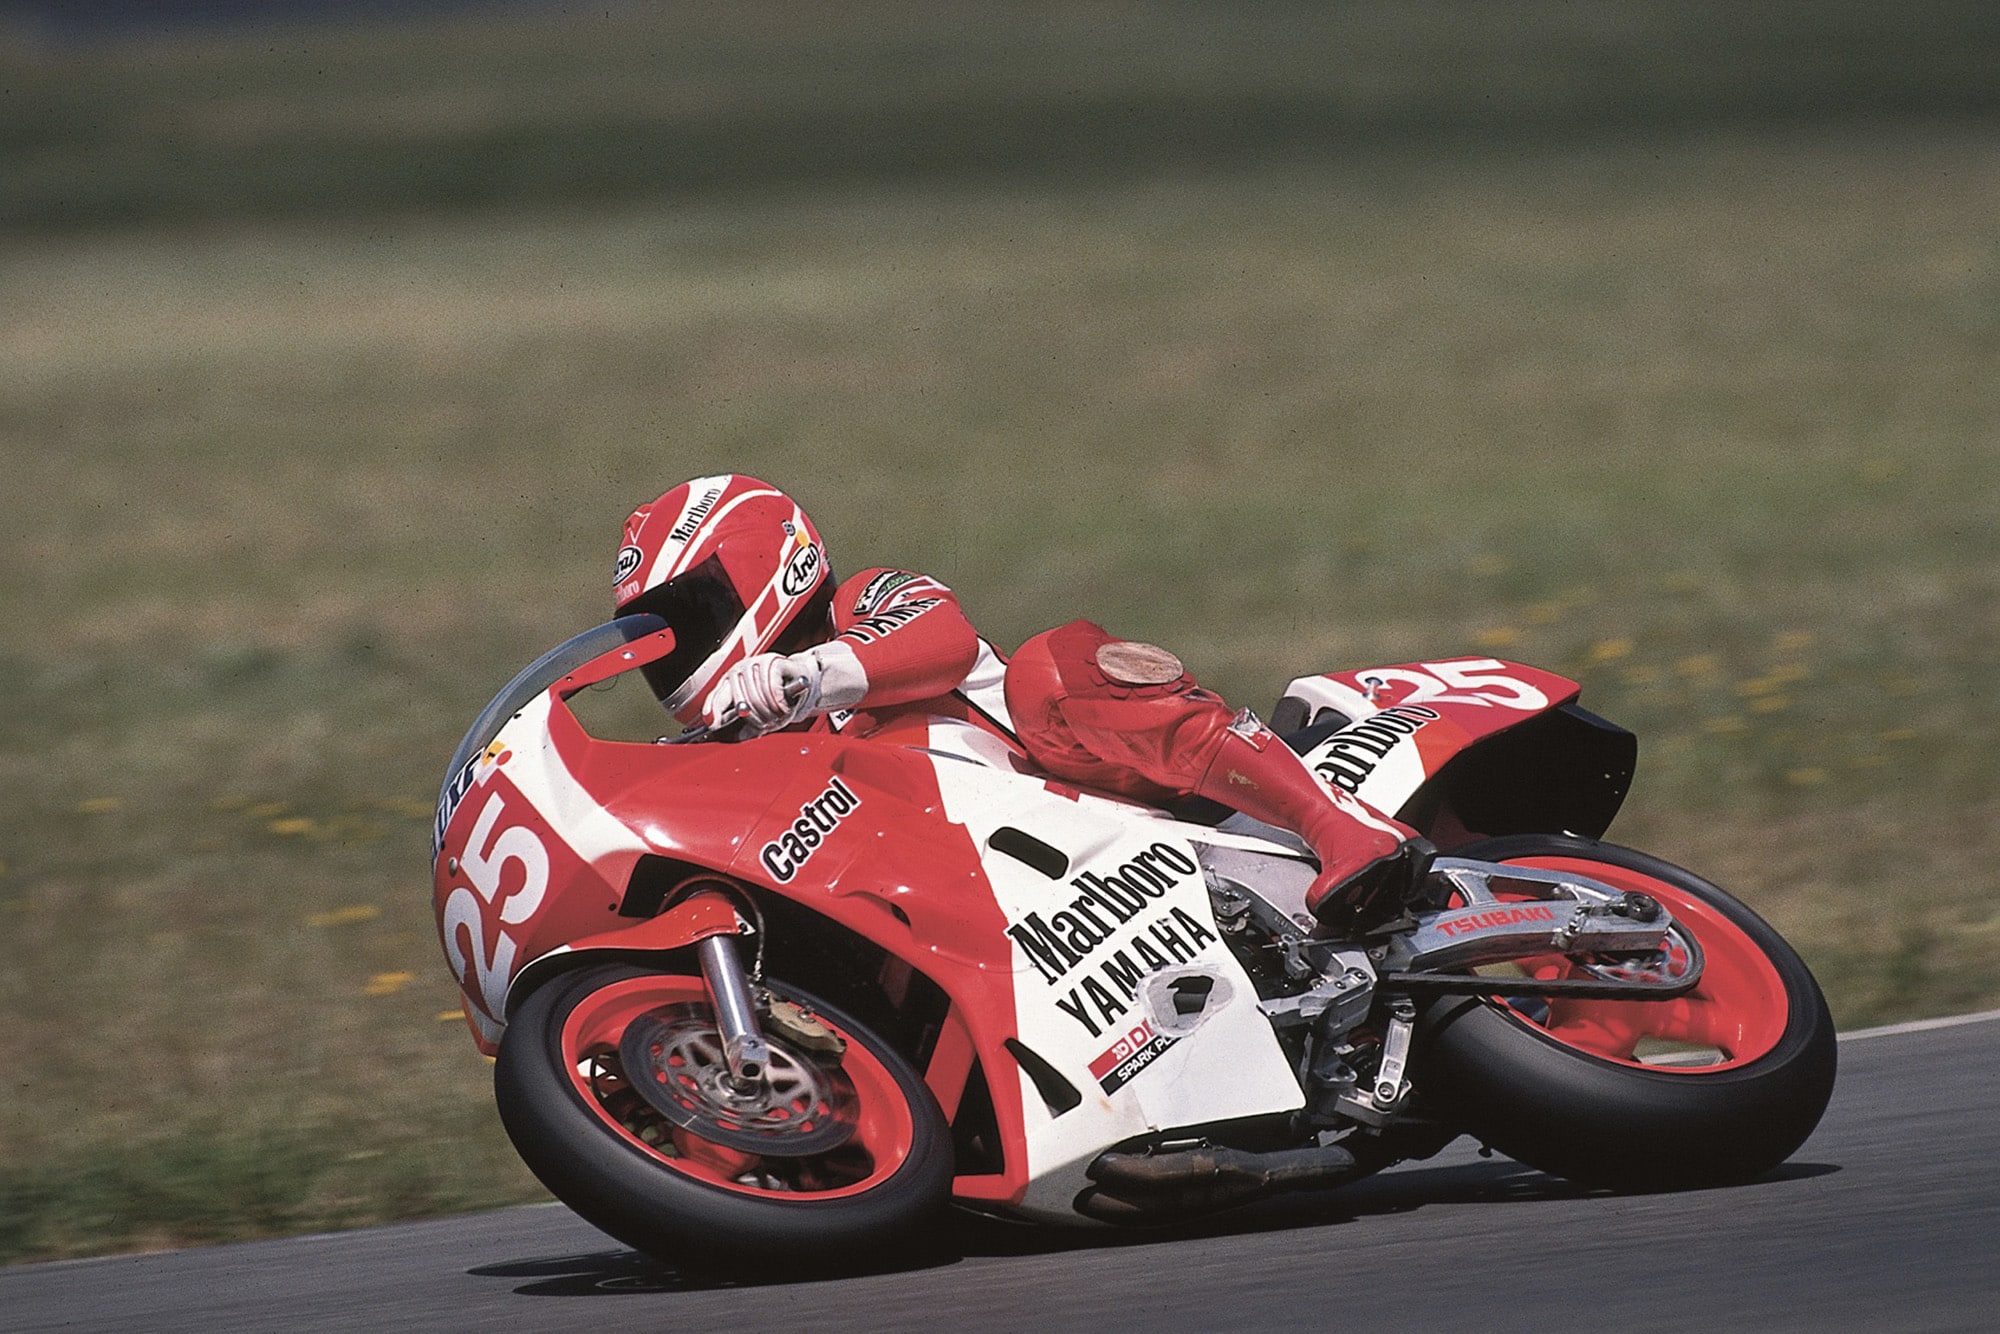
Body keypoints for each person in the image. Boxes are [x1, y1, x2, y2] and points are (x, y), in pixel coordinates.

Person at [611, 473, 1431, 924]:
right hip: (996, 913)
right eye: (660, 642)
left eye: (695, 618)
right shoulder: (744, 748)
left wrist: (811, 676)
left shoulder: (872, 600)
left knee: (1049, 673)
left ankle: (1335, 823)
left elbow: (945, 638)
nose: (681, 654)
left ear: (772, 568)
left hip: (1119, 802)